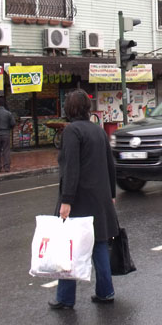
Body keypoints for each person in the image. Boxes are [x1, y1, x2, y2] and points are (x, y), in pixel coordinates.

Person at [49, 89, 118, 310]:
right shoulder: (97, 131)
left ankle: (65, 298)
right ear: (87, 109)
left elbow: (71, 169)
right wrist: (112, 194)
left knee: (68, 248)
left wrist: (66, 201)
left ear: (68, 109)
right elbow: (110, 163)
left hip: (78, 200)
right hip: (100, 199)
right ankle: (106, 292)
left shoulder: (72, 132)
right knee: (99, 245)